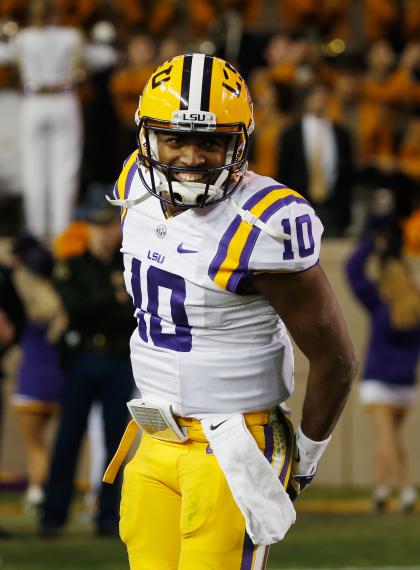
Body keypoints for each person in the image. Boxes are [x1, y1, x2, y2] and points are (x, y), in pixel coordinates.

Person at [103, 53, 358, 570]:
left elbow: (336, 358)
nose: (192, 157)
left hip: (232, 443)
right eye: (176, 139)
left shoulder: (264, 224)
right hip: (153, 438)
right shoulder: (135, 184)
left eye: (210, 141)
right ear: (147, 138)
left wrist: (304, 457)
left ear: (238, 142)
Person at [39, 186, 135, 537]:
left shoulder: (127, 263)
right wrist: (114, 297)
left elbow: (134, 314)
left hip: (117, 359)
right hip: (82, 359)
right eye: (97, 224)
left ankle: (107, 516)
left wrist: (112, 305)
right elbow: (76, 311)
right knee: (68, 439)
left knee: (115, 442)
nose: (105, 231)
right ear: (86, 226)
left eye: (109, 224)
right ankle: (53, 515)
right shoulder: (73, 266)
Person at [345, 212, 420, 513]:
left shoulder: (378, 300)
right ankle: (381, 491)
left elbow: (352, 270)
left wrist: (370, 243)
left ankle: (405, 490)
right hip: (405, 383)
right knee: (389, 440)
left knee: (387, 439)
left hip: (378, 381)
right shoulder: (415, 304)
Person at [0, 0, 84, 239]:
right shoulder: (70, 35)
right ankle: (61, 231)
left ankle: (37, 232)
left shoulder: (23, 37)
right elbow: (101, 57)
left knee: (33, 168)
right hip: (63, 99)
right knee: (65, 168)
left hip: (34, 100)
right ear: (57, 11)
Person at [9, 235, 67, 513]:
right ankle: (45, 490)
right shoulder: (60, 293)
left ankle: (37, 490)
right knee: (54, 443)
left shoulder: (23, 291)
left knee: (35, 444)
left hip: (32, 374)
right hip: (58, 374)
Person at [277, 82, 354, 237]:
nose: (320, 100)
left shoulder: (341, 134)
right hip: (299, 205)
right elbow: (284, 171)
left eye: (324, 96)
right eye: (315, 96)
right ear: (306, 100)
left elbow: (347, 172)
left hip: (333, 207)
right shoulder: (291, 134)